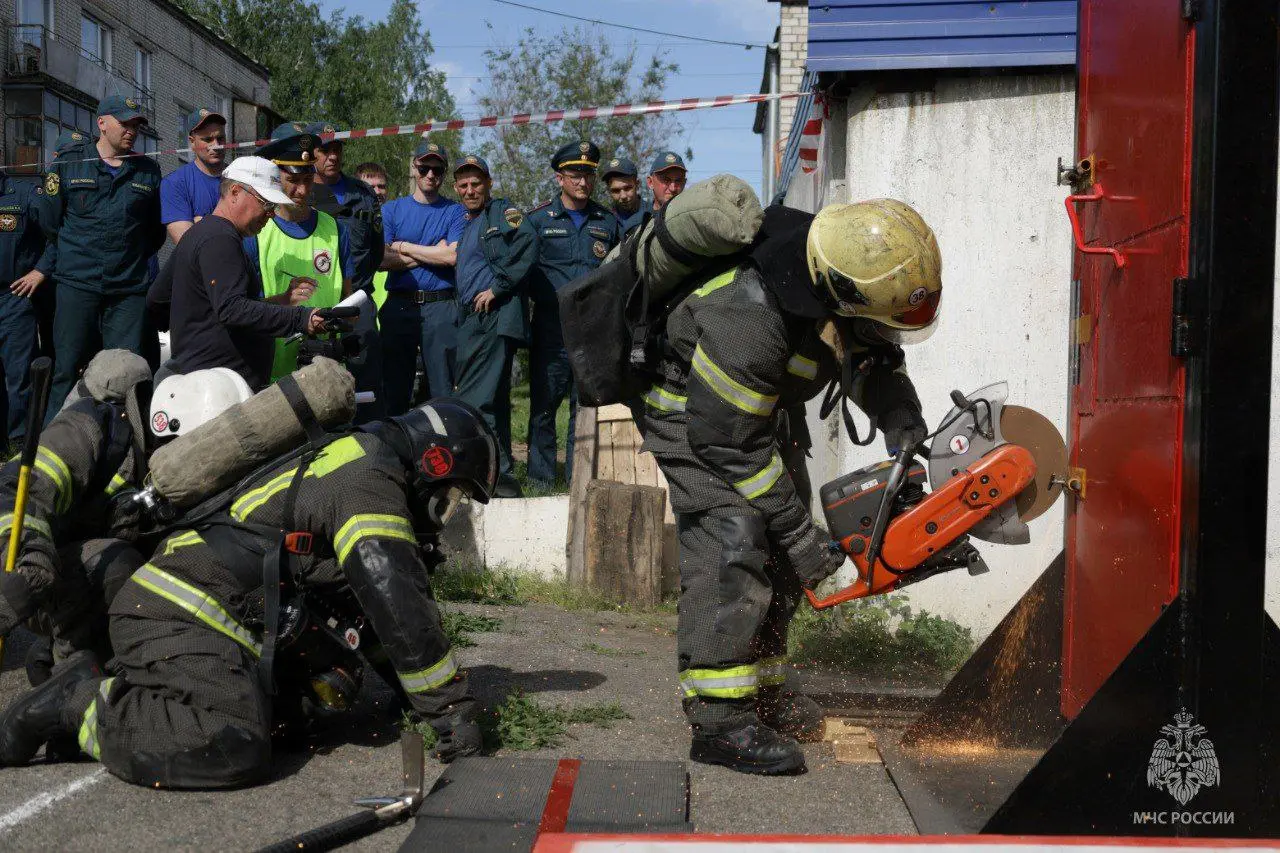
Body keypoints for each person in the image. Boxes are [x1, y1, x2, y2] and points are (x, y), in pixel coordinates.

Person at [0, 399, 499, 787]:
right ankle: (75, 701)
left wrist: (407, 694)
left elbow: (367, 606)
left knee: (298, 718)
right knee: (231, 744)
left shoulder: (357, 458)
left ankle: (120, 691)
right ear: (433, 461)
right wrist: (449, 708)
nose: (444, 513)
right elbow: (395, 595)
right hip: (179, 610)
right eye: (451, 498)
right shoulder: (369, 481)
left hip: (206, 608)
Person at [629, 201, 940, 776]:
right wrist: (800, 534)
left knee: (781, 549)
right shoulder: (749, 313)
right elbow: (726, 441)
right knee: (736, 536)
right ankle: (719, 721)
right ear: (839, 295)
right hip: (694, 422)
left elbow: (871, 357)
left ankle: (764, 692)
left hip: (754, 416)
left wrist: (902, 417)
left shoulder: (838, 286)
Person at [148, 156, 324, 390]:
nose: (271, 214)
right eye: (266, 204)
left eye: (274, 207)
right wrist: (302, 318)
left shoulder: (199, 234)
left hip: (202, 383)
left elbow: (157, 299)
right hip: (221, 390)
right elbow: (232, 309)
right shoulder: (221, 239)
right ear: (234, 192)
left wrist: (282, 301)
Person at [40, 95, 166, 417]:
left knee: (126, 371)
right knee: (67, 367)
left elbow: (154, 233)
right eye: (124, 123)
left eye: (136, 125)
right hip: (77, 283)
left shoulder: (148, 172)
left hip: (126, 290)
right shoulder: (69, 162)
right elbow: (50, 222)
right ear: (102, 123)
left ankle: (121, 448)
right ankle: (51, 441)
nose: (131, 130)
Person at [525, 141, 621, 489]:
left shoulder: (606, 222)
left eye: (588, 174)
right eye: (575, 174)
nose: (582, 181)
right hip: (551, 330)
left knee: (585, 410)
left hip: (592, 333)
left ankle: (579, 479)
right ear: (559, 178)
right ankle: (540, 481)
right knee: (544, 408)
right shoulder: (537, 220)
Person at [452, 155, 537, 499]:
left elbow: (528, 243)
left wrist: (499, 288)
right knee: (494, 401)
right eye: (464, 185)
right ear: (457, 188)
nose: (470, 190)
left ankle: (487, 478)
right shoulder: (469, 222)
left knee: (476, 401)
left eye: (476, 183)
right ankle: (501, 475)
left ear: (488, 184)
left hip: (492, 318)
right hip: (473, 320)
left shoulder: (502, 212)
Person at [247, 123, 356, 382]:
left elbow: (347, 302)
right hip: (271, 374)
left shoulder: (336, 231)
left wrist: (340, 321)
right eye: (293, 181)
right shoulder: (254, 233)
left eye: (308, 179)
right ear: (274, 178)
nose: (303, 191)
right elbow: (243, 309)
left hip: (325, 370)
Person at [380, 141, 466, 415]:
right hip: (399, 306)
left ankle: (443, 451)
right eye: (425, 167)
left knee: (442, 393)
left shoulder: (454, 211)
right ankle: (396, 453)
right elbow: (382, 259)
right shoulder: (392, 210)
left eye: (437, 169)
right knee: (394, 389)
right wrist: (434, 251)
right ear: (414, 168)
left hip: (441, 308)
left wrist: (403, 246)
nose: (430, 174)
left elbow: (452, 258)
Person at [306, 123, 385, 420]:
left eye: (337, 149)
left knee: (365, 386)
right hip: (313, 304)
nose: (332, 156)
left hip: (357, 303)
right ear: (312, 153)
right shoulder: (301, 192)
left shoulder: (363, 194)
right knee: (317, 389)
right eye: (325, 150)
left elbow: (376, 249)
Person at [0, 157, 55, 446]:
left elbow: (56, 234)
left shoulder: (22, 194)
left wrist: (41, 270)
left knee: (18, 376)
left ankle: (21, 442)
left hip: (14, 296)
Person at [160, 108, 228, 245]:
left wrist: (202, 223)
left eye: (220, 138)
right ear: (192, 142)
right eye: (208, 139)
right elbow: (188, 244)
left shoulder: (241, 178)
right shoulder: (175, 183)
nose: (216, 145)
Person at [601, 157, 645, 236]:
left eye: (627, 188)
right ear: (609, 191)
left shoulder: (653, 214)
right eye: (616, 191)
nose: (623, 196)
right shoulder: (604, 220)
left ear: (637, 185)